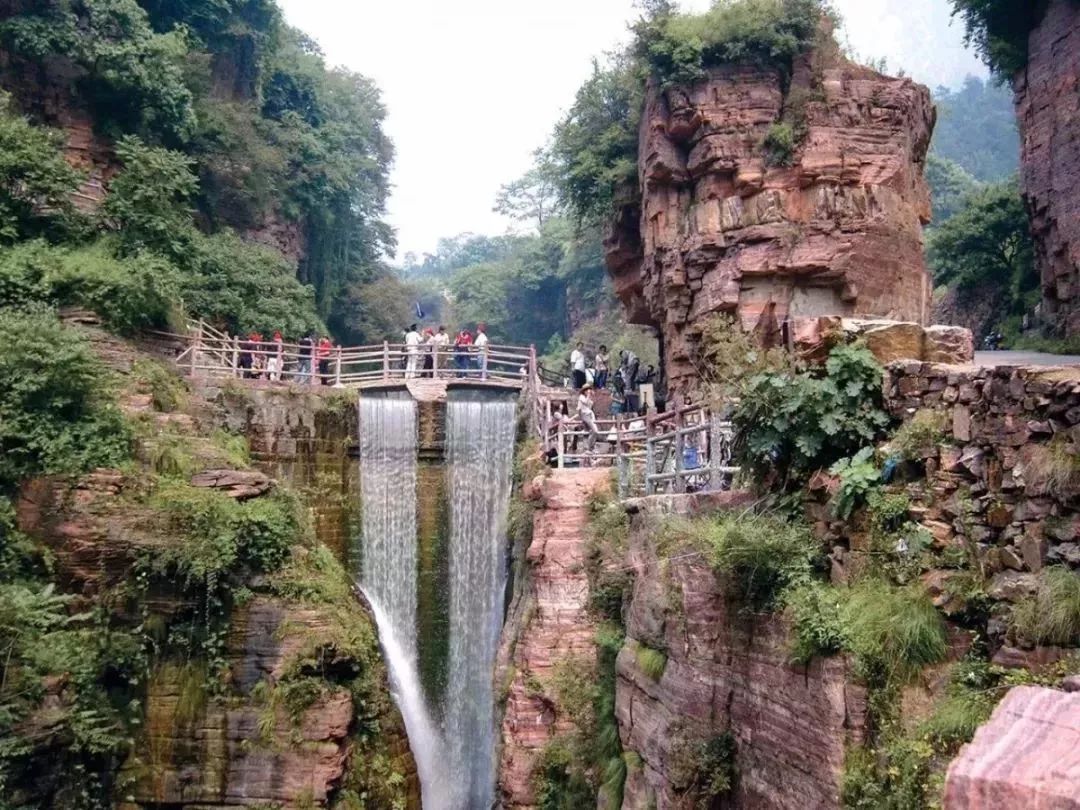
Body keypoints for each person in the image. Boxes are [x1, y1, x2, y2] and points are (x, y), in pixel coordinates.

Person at [577, 383, 601, 455]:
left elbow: (590, 406)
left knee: (592, 432)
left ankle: (591, 448)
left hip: (589, 414)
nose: (588, 391)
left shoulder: (588, 397)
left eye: (589, 389)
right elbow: (586, 403)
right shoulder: (581, 397)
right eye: (586, 390)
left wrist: (591, 396)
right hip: (585, 415)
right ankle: (589, 448)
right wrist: (588, 396)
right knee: (595, 431)